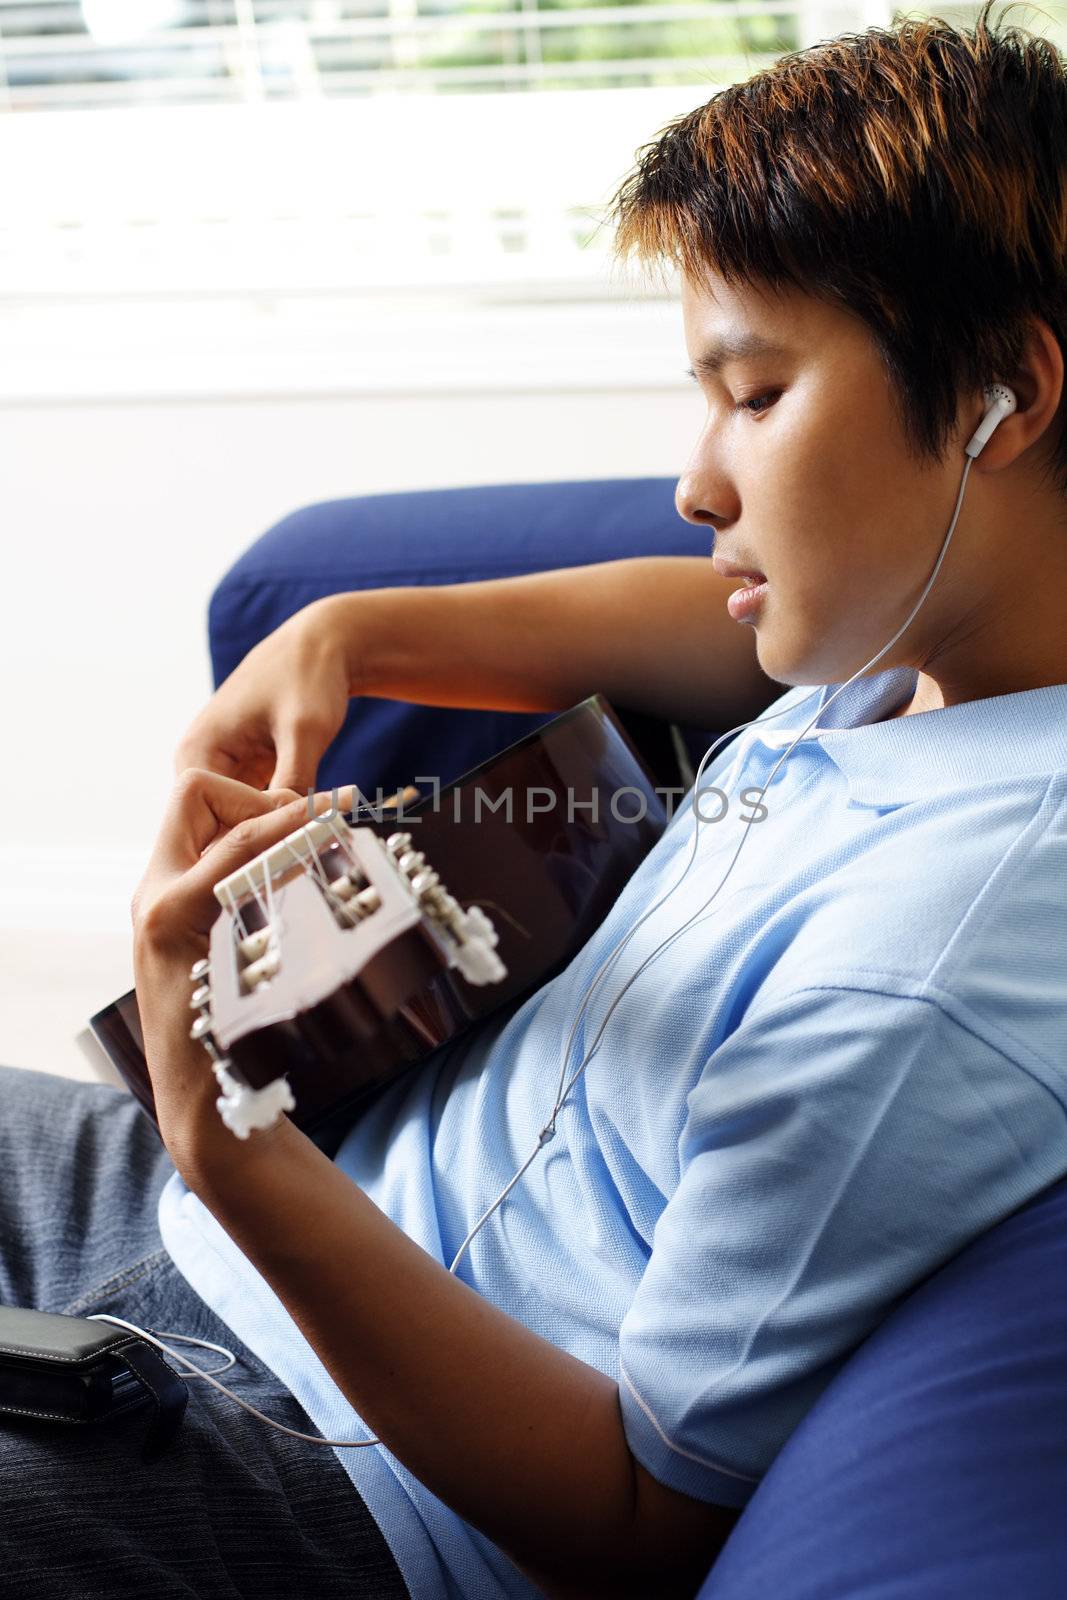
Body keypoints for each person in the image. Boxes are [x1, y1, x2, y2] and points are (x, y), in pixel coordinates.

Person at [3, 4, 1067, 1596]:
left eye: (756, 394)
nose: (701, 482)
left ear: (1004, 393)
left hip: (312, 1456)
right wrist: (350, 634)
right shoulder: (927, 647)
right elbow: (697, 628)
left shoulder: (926, 960)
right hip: (227, 1221)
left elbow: (630, 1524)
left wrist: (230, 1143)